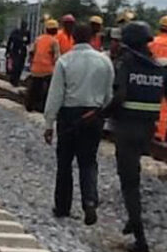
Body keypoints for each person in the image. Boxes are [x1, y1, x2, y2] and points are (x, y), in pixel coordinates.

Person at [106, 21, 167, 252]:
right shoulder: (161, 68)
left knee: (129, 183)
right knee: (133, 177)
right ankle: (132, 217)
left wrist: (100, 114)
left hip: (126, 129)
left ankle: (140, 241)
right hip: (147, 131)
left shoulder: (126, 64)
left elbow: (119, 96)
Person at [44, 23, 115, 225]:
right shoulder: (104, 61)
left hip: (69, 115)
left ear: (72, 38)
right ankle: (90, 201)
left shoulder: (64, 61)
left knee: (65, 162)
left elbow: (56, 94)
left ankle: (62, 207)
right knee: (89, 161)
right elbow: (109, 94)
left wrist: (49, 123)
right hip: (94, 115)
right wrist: (101, 114)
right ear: (93, 38)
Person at [26, 20, 62, 112]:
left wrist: (31, 62)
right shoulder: (54, 41)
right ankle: (41, 107)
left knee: (34, 89)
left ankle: (29, 105)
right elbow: (56, 57)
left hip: (36, 69)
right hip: (48, 70)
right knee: (47, 91)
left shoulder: (38, 39)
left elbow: (31, 52)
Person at [6, 22, 31, 87]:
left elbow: (28, 41)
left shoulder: (27, 33)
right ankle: (13, 79)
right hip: (15, 50)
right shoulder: (15, 32)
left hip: (22, 50)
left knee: (20, 66)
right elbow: (10, 41)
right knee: (15, 65)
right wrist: (8, 51)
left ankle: (16, 80)